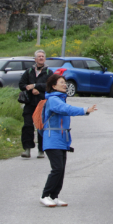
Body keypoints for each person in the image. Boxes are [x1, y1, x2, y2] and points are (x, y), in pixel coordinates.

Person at [40, 72, 97, 207]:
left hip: (62, 140)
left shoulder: (60, 98)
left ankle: (54, 196)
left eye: (65, 82)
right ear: (53, 86)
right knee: (57, 169)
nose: (65, 85)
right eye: (61, 83)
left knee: (62, 169)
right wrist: (85, 110)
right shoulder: (54, 100)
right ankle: (45, 195)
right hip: (51, 139)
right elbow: (65, 109)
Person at [19, 50, 51, 159]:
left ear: (45, 58)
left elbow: (51, 86)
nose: (41, 58)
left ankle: (41, 151)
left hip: (42, 103)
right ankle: (27, 149)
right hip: (29, 103)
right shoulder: (29, 71)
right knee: (27, 126)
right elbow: (21, 84)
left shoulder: (49, 72)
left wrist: (37, 87)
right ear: (35, 59)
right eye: (39, 56)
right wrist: (29, 89)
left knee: (40, 127)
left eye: (43, 56)